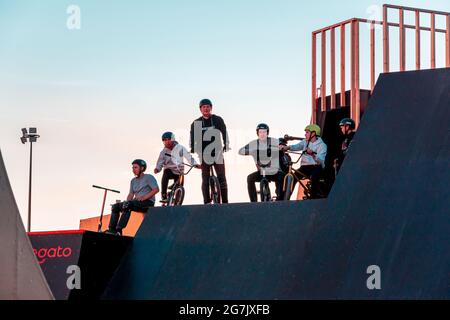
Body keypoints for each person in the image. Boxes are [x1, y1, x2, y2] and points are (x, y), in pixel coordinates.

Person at [190, 98, 230, 204]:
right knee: (205, 179)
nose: (206, 109)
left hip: (217, 152)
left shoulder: (217, 119)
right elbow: (193, 138)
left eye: (208, 107)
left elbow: (224, 132)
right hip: (204, 153)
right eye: (204, 107)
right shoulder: (197, 123)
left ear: (211, 108)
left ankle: (225, 202)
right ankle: (206, 202)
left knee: (222, 177)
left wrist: (226, 144)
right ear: (200, 109)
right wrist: (193, 148)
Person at [106, 159, 159, 235]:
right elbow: (131, 194)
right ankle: (111, 230)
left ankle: (119, 230)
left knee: (128, 205)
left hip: (147, 203)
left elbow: (156, 189)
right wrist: (126, 202)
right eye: (132, 167)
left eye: (135, 167)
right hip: (136, 202)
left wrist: (144, 197)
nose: (133, 170)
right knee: (115, 206)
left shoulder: (149, 177)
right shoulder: (133, 181)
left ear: (142, 168)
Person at [239, 123, 285, 202]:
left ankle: (280, 199)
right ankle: (254, 202)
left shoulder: (273, 141)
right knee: (250, 178)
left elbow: (281, 144)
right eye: (260, 132)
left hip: (273, 171)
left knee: (282, 176)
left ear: (267, 133)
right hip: (262, 172)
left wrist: (280, 146)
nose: (262, 134)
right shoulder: (254, 143)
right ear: (257, 133)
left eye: (264, 132)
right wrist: (252, 151)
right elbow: (240, 151)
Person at [279, 124, 327, 199]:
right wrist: (286, 148)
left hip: (316, 167)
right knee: (293, 177)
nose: (305, 134)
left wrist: (313, 154)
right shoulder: (305, 141)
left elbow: (321, 161)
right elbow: (296, 146)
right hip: (305, 167)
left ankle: (312, 198)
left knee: (314, 177)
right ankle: (285, 198)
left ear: (313, 133)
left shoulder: (322, 145)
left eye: (307, 132)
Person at [154, 132, 200, 203]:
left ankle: (177, 201)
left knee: (179, 186)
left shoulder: (180, 148)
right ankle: (164, 195)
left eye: (169, 139)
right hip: (169, 170)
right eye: (165, 140)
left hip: (179, 170)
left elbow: (188, 157)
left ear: (173, 139)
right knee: (165, 174)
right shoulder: (163, 152)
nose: (167, 142)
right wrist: (157, 168)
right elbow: (160, 162)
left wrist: (196, 165)